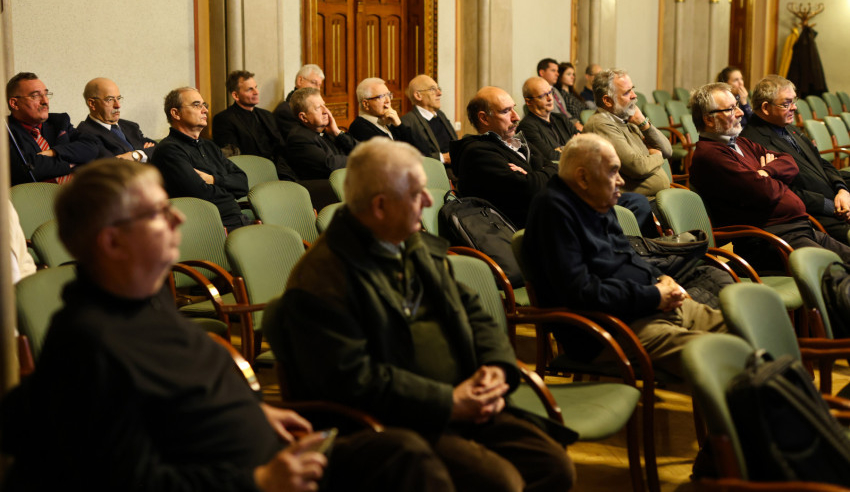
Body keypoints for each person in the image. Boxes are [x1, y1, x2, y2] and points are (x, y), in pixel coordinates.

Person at [0, 158, 453, 492]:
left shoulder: (145, 303)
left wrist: (256, 411)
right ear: (112, 242)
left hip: (269, 454)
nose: (178, 217)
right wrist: (260, 481)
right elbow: (131, 481)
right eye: (157, 212)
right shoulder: (88, 342)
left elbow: (189, 388)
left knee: (402, 454)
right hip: (245, 481)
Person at [265, 138, 576, 492]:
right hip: (397, 422)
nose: (429, 201)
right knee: (501, 481)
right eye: (417, 194)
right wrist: (449, 402)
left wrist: (496, 367)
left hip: (463, 401)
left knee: (553, 465)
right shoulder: (323, 279)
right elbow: (355, 380)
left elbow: (472, 310)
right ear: (380, 206)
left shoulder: (408, 243)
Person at [522, 133, 726, 377]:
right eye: (613, 171)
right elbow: (582, 292)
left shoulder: (598, 200)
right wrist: (653, 295)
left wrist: (662, 279)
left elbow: (630, 256)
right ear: (583, 177)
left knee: (744, 328)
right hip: (611, 330)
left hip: (650, 309)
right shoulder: (553, 211)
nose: (620, 181)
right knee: (722, 357)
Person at [689, 81, 850, 271]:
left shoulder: (741, 143)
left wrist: (766, 171)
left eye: (737, 105)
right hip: (769, 241)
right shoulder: (710, 155)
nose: (740, 113)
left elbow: (789, 162)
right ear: (709, 120)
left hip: (798, 229)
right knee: (838, 275)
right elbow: (764, 191)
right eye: (731, 109)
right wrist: (774, 178)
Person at [741, 75, 850, 244]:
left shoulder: (789, 127)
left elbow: (820, 162)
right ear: (765, 107)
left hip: (836, 199)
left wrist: (842, 190)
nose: (794, 108)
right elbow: (785, 191)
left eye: (794, 101)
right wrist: (833, 206)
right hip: (814, 214)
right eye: (786, 104)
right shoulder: (752, 142)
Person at [450, 86, 558, 228]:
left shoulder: (517, 142)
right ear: (484, 118)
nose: (516, 117)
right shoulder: (478, 152)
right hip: (515, 230)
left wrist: (532, 176)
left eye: (513, 108)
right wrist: (540, 174)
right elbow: (530, 189)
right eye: (506, 111)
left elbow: (554, 168)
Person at [151, 87, 250, 232]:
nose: (205, 110)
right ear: (176, 113)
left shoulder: (210, 146)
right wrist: (229, 190)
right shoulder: (169, 150)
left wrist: (213, 180)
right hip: (209, 228)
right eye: (197, 105)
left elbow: (243, 183)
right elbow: (200, 195)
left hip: (237, 220)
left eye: (205, 105)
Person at [584, 68, 672, 199]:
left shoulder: (628, 119)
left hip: (656, 198)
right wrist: (657, 156)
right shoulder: (600, 124)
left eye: (632, 89)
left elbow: (667, 151)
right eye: (626, 92)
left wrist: (643, 123)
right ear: (607, 101)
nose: (634, 95)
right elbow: (637, 167)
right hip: (631, 205)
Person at [6, 72, 98, 185]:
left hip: (77, 189)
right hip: (36, 194)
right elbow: (25, 169)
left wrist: (54, 152)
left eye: (46, 94)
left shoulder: (58, 122)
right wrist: (70, 163)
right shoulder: (5, 131)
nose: (45, 101)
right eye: (35, 96)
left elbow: (92, 145)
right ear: (15, 103)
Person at [212, 70, 298, 181]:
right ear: (236, 95)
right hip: (252, 174)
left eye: (256, 87)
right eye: (250, 89)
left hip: (281, 171)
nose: (256, 92)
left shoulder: (267, 115)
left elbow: (281, 146)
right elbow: (234, 158)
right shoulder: (224, 119)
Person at [77, 77, 157, 162]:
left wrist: (136, 155)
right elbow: (112, 164)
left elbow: (158, 149)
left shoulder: (131, 126)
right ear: (92, 103)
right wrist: (145, 154)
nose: (118, 105)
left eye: (118, 98)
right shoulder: (84, 133)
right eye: (110, 99)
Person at [285, 87, 357, 180]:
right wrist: (360, 159)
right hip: (320, 186)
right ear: (303, 117)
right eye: (318, 108)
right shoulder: (299, 137)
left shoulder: (327, 131)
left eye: (324, 105)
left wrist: (338, 133)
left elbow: (359, 149)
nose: (326, 111)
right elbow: (329, 164)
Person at [517, 76, 579, 162]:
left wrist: (561, 149)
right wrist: (573, 146)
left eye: (550, 92)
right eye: (542, 96)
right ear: (529, 101)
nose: (550, 98)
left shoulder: (561, 118)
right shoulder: (527, 127)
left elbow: (583, 142)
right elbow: (550, 156)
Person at [400, 74, 457, 163]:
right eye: (432, 89)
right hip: (436, 169)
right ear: (418, 95)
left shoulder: (440, 114)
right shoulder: (407, 123)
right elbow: (411, 157)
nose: (440, 93)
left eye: (438, 89)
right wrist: (443, 158)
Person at [348, 78, 416, 144]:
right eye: (381, 97)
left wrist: (399, 125)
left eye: (389, 95)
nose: (388, 100)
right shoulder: (359, 128)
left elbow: (412, 148)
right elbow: (390, 150)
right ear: (366, 104)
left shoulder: (387, 120)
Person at [272, 64, 325, 138]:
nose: (318, 89)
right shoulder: (285, 111)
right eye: (314, 83)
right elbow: (304, 138)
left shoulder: (317, 107)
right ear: (300, 80)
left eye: (320, 85)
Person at [556, 62, 587, 129]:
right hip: (574, 126)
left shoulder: (574, 94)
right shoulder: (559, 95)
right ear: (560, 76)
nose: (572, 77)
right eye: (568, 74)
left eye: (573, 74)